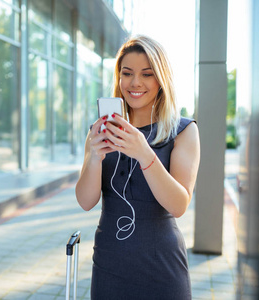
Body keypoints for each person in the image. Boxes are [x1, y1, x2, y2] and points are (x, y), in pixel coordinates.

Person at [75, 35, 200, 300]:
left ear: (161, 80)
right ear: (118, 78)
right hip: (109, 265)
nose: (135, 83)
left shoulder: (183, 131)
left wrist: (144, 153)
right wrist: (95, 157)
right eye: (127, 73)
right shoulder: (99, 131)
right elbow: (86, 201)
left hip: (162, 267)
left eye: (147, 74)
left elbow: (178, 205)